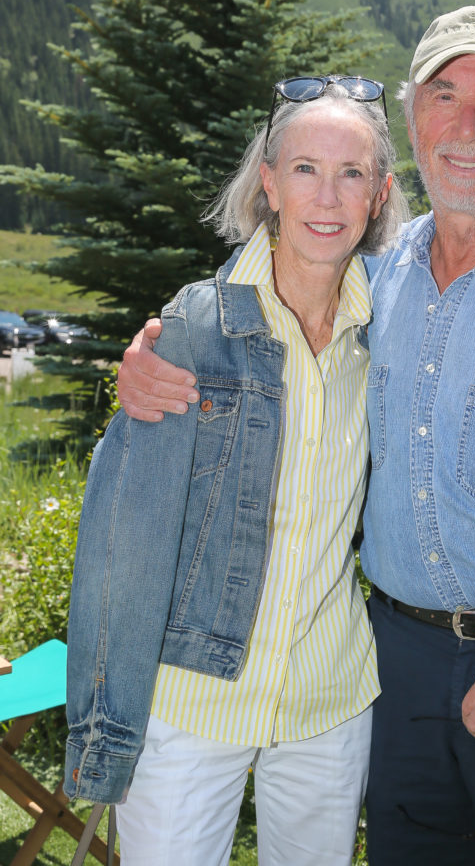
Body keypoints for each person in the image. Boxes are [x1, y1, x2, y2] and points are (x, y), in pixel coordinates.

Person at [116, 7, 475, 865]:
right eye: (444, 96)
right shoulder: (369, 285)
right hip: (398, 678)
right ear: (411, 120)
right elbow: (263, 322)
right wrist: (152, 354)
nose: (467, 128)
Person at [65, 78, 409, 866]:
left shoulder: (387, 331)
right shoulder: (194, 329)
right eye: (303, 169)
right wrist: (106, 722)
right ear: (267, 183)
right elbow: (124, 537)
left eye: (351, 173)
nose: (327, 196)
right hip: (191, 702)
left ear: (380, 193)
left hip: (330, 703)